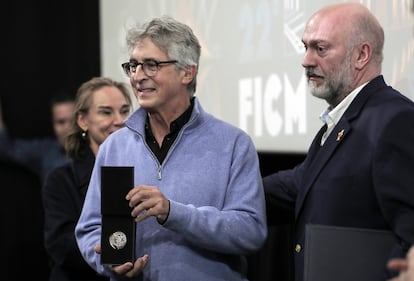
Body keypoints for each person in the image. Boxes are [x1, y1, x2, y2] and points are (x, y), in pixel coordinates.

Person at [75, 16, 267, 281]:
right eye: (133, 66)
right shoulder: (114, 147)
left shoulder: (233, 144)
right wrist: (107, 261)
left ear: (187, 72)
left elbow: (250, 231)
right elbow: (89, 229)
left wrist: (173, 212)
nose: (138, 77)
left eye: (151, 65)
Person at [263, 3, 414, 281]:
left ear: (361, 55)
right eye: (305, 47)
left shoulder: (395, 120)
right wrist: (220, 191)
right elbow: (300, 184)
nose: (306, 60)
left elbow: (410, 235)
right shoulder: (339, 122)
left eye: (320, 49)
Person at [42, 77, 133, 281]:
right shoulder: (60, 180)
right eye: (106, 112)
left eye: (125, 111)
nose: (119, 120)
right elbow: (61, 245)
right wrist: (112, 255)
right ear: (83, 121)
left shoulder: (145, 172)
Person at [0, 91, 74, 182]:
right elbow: (7, 149)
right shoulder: (46, 151)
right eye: (61, 122)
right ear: (53, 124)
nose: (68, 128)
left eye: (73, 121)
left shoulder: (94, 151)